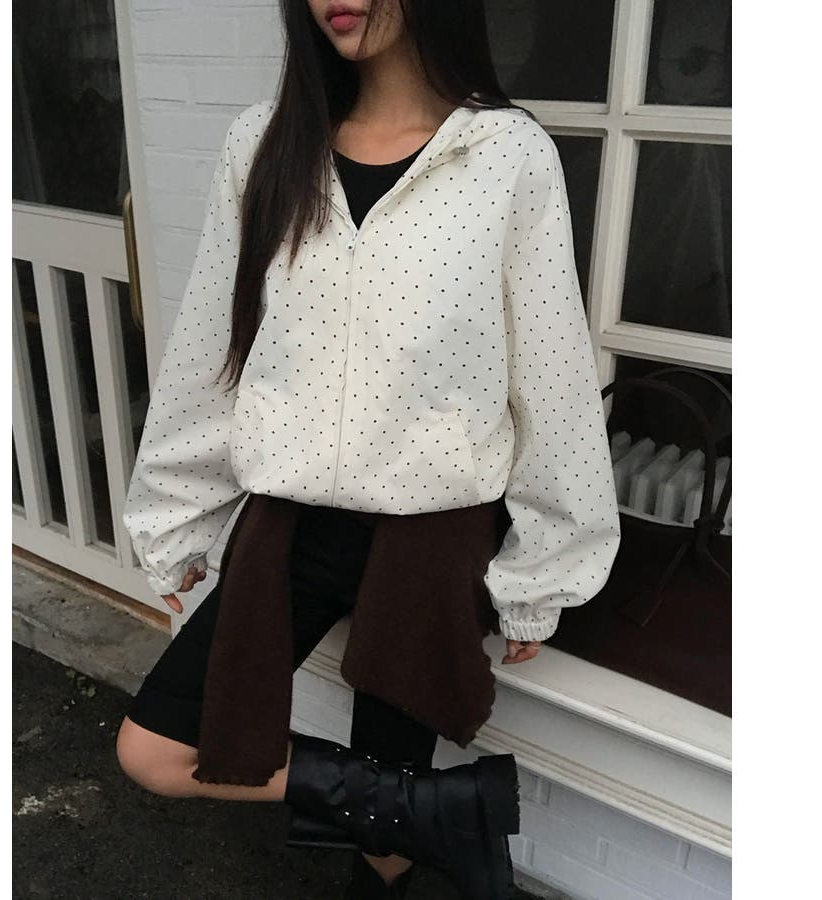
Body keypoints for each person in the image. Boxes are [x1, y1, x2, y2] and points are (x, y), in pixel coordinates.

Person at [115, 2, 620, 898]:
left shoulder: (506, 156)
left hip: (432, 536)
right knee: (155, 748)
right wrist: (176, 511)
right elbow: (212, 345)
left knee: (385, 842)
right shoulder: (263, 147)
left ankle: (412, 818)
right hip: (289, 527)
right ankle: (431, 808)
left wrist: (544, 572)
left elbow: (551, 373)